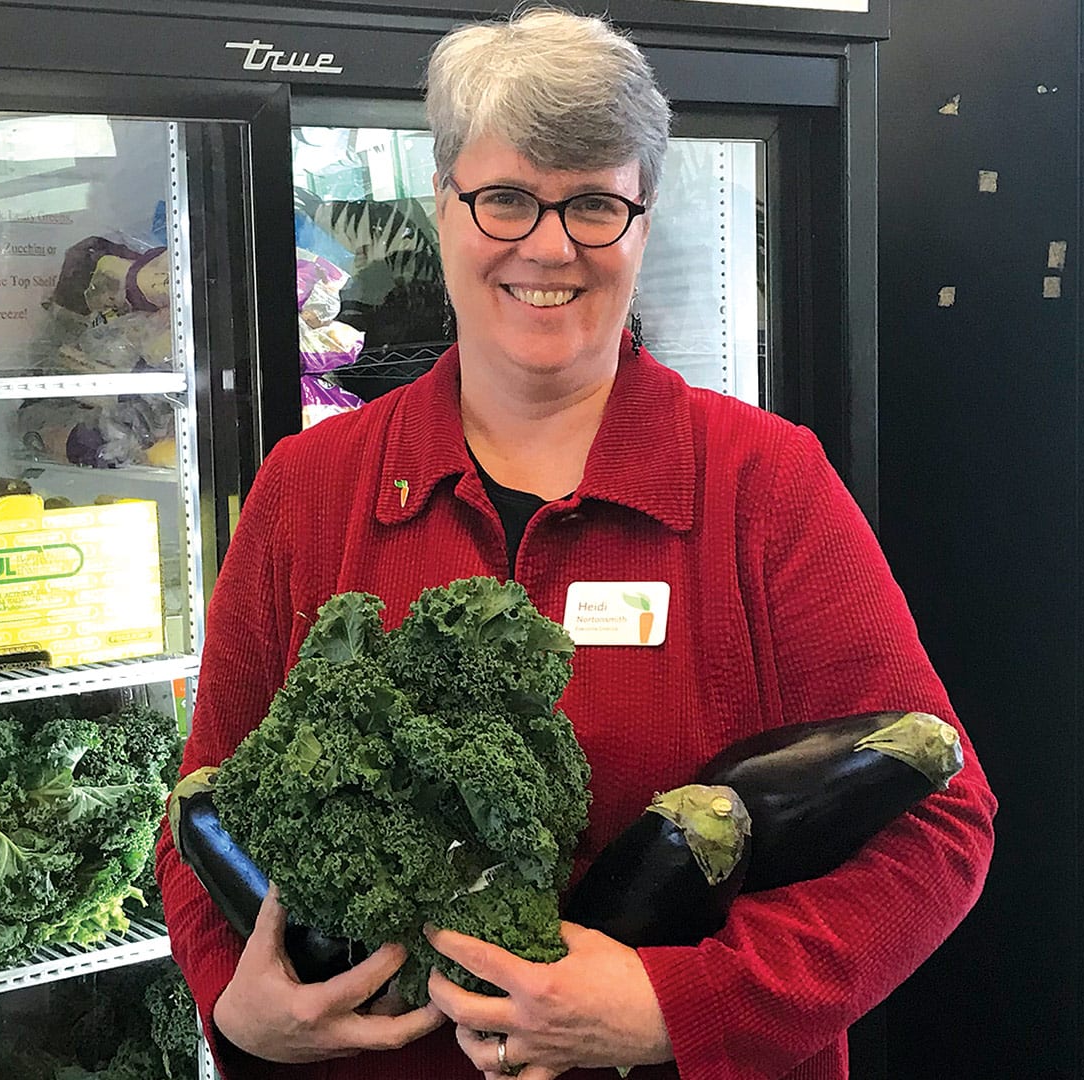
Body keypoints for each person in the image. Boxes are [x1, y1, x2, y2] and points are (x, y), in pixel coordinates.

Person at [154, 9, 997, 1079]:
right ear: (445, 203)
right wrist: (233, 999)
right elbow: (203, 801)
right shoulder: (310, 491)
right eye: (505, 198)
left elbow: (942, 826)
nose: (547, 247)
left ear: (643, 222)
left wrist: (673, 1004)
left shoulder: (765, 486)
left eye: (595, 204)